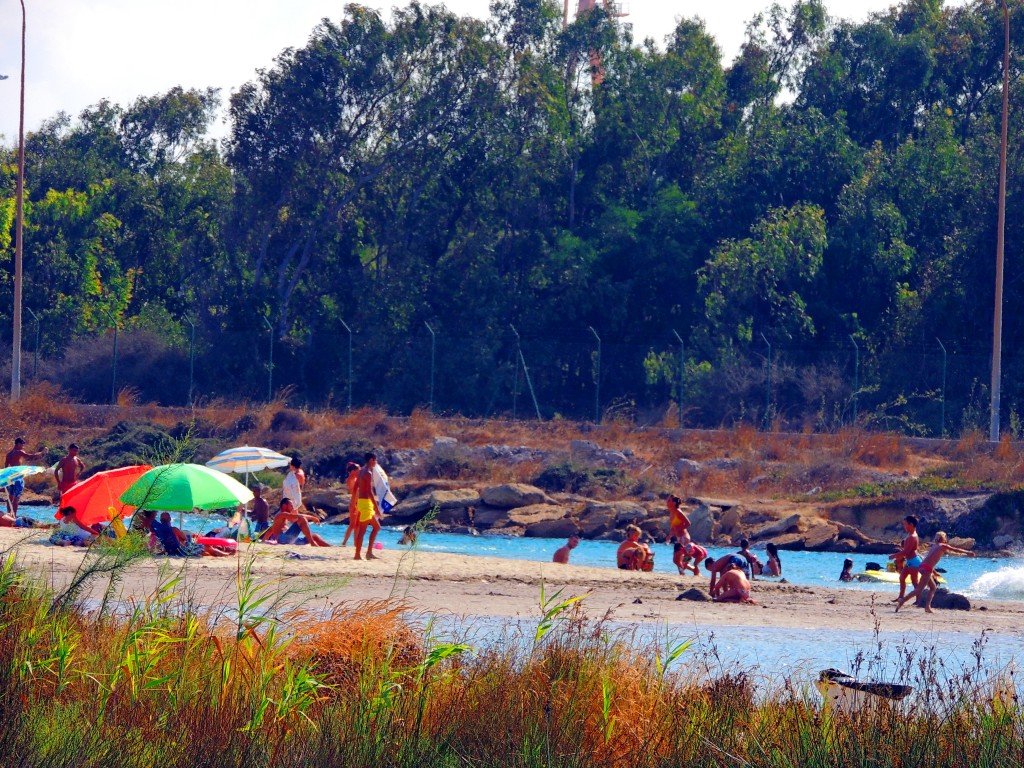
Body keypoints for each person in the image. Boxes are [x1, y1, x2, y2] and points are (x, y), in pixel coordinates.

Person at [895, 532, 976, 613]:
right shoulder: (943, 545)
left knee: (933, 587)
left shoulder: (934, 546)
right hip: (927, 569)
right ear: (943, 539)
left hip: (922, 566)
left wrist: (934, 572)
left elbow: (930, 559)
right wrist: (968, 553)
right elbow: (956, 550)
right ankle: (902, 601)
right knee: (919, 590)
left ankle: (927, 607)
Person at [151, 512, 232, 557]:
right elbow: (185, 538)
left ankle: (217, 553)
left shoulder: (159, 530)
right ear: (170, 519)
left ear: (161, 520)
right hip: (182, 550)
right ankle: (225, 554)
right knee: (206, 547)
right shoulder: (173, 529)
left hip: (170, 550)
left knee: (203, 550)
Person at [261, 498, 330, 546]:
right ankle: (312, 543)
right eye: (291, 505)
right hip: (282, 539)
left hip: (290, 540)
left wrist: (263, 541)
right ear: (284, 506)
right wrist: (312, 518)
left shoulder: (283, 518)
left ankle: (330, 546)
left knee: (315, 536)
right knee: (302, 519)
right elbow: (295, 516)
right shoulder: (280, 515)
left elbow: (270, 530)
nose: (292, 507)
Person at [5, 437, 43, 518]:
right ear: (18, 444)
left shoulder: (9, 454)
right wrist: (42, 453)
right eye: (22, 445)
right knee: (16, 497)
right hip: (18, 476)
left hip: (10, 477)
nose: (23, 447)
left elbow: (6, 468)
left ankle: (9, 515)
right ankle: (14, 516)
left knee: (10, 496)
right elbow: (30, 456)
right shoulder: (19, 452)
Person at [354, 453, 382, 560]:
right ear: (371, 460)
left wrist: (355, 501)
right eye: (375, 460)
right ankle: (357, 555)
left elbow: (357, 487)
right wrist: (376, 507)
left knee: (377, 527)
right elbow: (369, 491)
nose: (376, 462)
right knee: (362, 530)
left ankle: (369, 552)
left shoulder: (361, 471)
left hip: (363, 502)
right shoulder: (368, 473)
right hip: (366, 503)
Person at [888, 516, 921, 602]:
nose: (904, 526)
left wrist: (894, 556)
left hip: (914, 561)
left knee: (914, 581)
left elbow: (906, 551)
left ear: (911, 524)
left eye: (905, 524)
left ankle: (919, 599)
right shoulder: (910, 534)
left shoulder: (912, 536)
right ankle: (901, 597)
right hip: (910, 561)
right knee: (902, 578)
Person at [341, 462, 360, 546]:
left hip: (358, 502)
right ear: (353, 471)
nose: (359, 470)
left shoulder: (355, 478)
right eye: (357, 469)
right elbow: (354, 491)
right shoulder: (351, 479)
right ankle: (344, 542)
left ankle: (356, 543)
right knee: (353, 524)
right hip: (354, 503)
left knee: (357, 524)